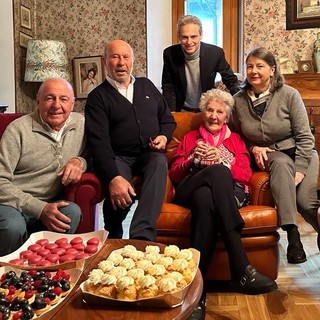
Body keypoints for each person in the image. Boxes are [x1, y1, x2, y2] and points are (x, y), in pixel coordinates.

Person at [169, 89, 277, 320]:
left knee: (205, 198)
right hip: (188, 189)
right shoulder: (190, 138)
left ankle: (197, 293)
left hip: (225, 195)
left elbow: (246, 173)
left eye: (220, 111)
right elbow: (175, 174)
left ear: (227, 116)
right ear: (203, 112)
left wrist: (222, 161)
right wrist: (192, 160)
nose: (214, 116)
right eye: (209, 110)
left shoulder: (236, 140)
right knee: (211, 177)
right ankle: (240, 266)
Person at [231, 47, 320, 264]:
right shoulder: (238, 100)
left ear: (272, 70)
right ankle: (293, 237)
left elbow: (305, 137)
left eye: (260, 66)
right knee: (279, 162)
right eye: (250, 66)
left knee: (306, 204)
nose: (254, 71)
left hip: (301, 152)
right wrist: (253, 147)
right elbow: (235, 136)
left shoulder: (289, 95)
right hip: (269, 155)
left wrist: (300, 169)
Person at [85, 40, 176, 241]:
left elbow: (167, 120)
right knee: (119, 191)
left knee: (159, 161)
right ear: (105, 61)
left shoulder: (146, 86)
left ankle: (141, 236)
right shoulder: (97, 97)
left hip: (148, 154)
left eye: (125, 57)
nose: (121, 62)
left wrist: (163, 136)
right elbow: (98, 143)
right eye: (115, 57)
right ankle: (113, 234)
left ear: (133, 61)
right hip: (118, 156)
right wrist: (114, 178)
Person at [0, 78, 86, 256]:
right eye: (49, 98)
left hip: (50, 202)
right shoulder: (17, 130)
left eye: (63, 99)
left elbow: (94, 156)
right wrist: (39, 208)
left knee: (72, 213)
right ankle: (8, 275)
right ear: (38, 101)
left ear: (73, 102)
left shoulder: (81, 124)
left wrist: (79, 161)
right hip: (12, 203)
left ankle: (45, 268)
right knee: (13, 227)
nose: (56, 105)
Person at [161, 14, 239, 112]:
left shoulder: (215, 53)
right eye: (184, 37)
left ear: (201, 35)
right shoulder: (170, 54)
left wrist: (240, 104)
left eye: (193, 36)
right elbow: (168, 85)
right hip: (180, 108)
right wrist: (171, 112)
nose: (189, 42)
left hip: (207, 108)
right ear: (179, 37)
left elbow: (230, 80)